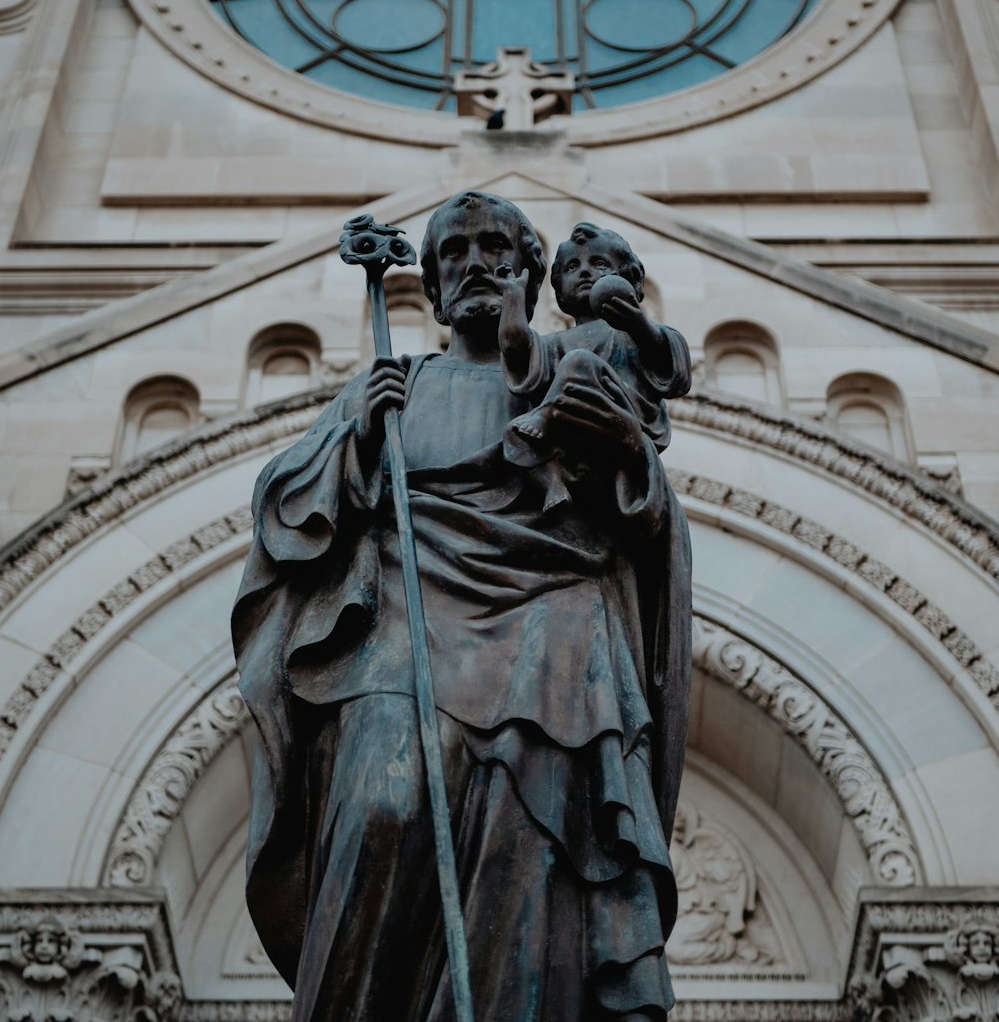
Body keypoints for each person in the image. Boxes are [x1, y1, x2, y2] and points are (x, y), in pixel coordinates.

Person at [232, 191, 692, 1021]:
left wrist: (626, 448)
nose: (476, 263)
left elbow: (647, 516)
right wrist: (358, 439)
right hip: (402, 621)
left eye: (495, 247)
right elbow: (284, 510)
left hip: (553, 628)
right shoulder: (393, 383)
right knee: (379, 806)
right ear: (434, 291)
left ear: (528, 269)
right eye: (454, 253)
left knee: (528, 846)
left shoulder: (567, 368)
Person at [498, 222, 691, 512]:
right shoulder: (552, 343)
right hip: (566, 435)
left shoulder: (634, 334)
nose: (585, 271)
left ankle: (547, 414)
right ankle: (553, 486)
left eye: (598, 263)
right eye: (572, 267)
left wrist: (638, 324)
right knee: (514, 435)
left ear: (626, 277)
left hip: (612, 415)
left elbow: (674, 369)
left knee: (579, 360)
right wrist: (512, 298)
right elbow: (516, 351)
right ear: (560, 289)